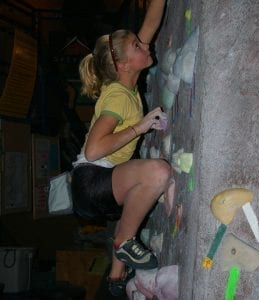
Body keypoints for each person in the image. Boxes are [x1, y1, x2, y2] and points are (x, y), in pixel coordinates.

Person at [71, 0, 171, 296]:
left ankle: (116, 280)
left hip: (101, 182)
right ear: (123, 65)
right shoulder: (118, 98)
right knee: (156, 173)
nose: (145, 46)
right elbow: (92, 150)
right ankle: (123, 243)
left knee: (132, 212)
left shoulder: (127, 76)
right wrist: (139, 128)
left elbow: (150, 24)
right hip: (91, 181)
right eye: (137, 47)